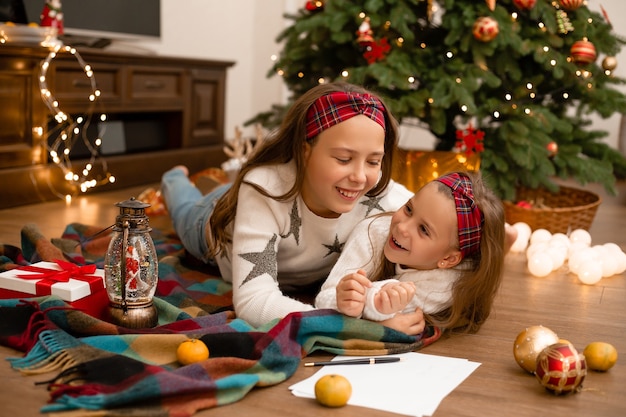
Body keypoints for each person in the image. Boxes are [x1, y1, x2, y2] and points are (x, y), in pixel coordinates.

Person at [161, 81, 426, 333]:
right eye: (344, 159)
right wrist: (357, 329)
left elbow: (444, 230)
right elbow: (253, 300)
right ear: (304, 151)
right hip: (212, 220)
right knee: (183, 207)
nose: (359, 176)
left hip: (266, 210)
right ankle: (173, 178)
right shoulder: (264, 188)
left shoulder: (379, 191)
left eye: (373, 161)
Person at [315, 171, 506, 333]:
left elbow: (390, 308)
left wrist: (375, 313)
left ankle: (506, 236)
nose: (403, 228)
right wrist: (342, 300)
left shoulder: (451, 282)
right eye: (408, 209)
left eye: (423, 230)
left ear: (448, 258)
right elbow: (324, 300)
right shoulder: (372, 232)